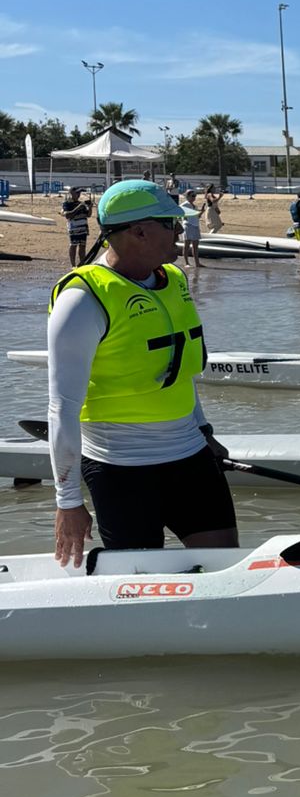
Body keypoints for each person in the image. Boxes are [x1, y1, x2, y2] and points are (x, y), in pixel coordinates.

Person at [45, 178, 236, 567]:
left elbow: (180, 371)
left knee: (223, 568)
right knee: (140, 584)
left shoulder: (174, 280)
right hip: (121, 471)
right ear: (140, 232)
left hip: (190, 458)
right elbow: (62, 407)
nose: (179, 231)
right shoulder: (81, 301)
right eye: (172, 223)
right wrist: (68, 503)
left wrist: (203, 432)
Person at [59, 187, 92, 263]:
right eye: (77, 193)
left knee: (82, 246)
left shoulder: (81, 203)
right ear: (71, 193)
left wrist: (90, 208)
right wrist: (78, 207)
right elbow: (68, 215)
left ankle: (82, 263)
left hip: (83, 227)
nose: (79, 194)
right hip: (74, 228)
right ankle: (73, 264)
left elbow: (88, 215)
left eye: (79, 193)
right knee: (73, 245)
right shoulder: (67, 203)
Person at [178, 191, 203, 270]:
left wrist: (201, 212)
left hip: (195, 225)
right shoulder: (184, 205)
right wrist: (183, 218)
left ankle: (197, 263)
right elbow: (179, 214)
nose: (194, 197)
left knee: (195, 246)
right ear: (187, 196)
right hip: (188, 225)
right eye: (192, 196)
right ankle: (186, 263)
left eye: (195, 196)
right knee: (186, 245)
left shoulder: (194, 206)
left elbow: (197, 217)